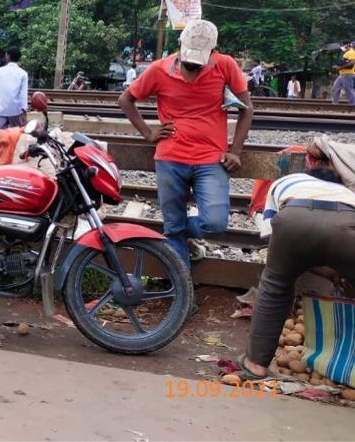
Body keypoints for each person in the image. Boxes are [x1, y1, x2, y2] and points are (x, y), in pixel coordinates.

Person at [118, 19, 253, 270]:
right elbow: (126, 100)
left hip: (211, 159)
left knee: (214, 223)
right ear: (180, 45)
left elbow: (247, 110)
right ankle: (183, 295)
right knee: (173, 229)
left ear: (213, 51)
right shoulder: (159, 69)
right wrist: (148, 133)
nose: (192, 66)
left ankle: (178, 232)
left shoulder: (225, 66)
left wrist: (235, 151)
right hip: (170, 157)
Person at [239, 167, 355, 380]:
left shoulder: (286, 182)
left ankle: (255, 365)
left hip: (294, 218)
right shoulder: (347, 192)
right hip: (348, 221)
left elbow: (273, 242)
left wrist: (322, 271)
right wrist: (337, 274)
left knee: (275, 285)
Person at [0, 46, 28, 132]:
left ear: (8, 56)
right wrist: (24, 113)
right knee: (16, 136)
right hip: (15, 111)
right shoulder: (23, 74)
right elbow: (23, 95)